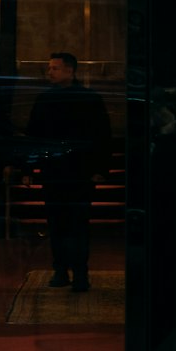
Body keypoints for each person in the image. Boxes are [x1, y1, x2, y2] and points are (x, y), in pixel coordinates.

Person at [25, 51, 112, 292]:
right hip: (57, 171)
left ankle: (77, 272)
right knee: (59, 223)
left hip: (77, 172)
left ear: (70, 71)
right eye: (49, 68)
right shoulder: (45, 99)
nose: (49, 72)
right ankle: (63, 270)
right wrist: (30, 166)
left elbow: (102, 136)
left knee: (76, 224)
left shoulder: (88, 99)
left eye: (54, 68)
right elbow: (34, 136)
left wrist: (100, 168)